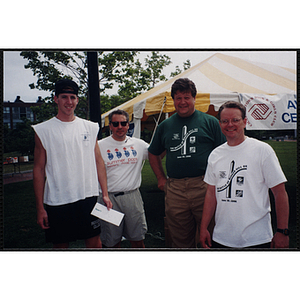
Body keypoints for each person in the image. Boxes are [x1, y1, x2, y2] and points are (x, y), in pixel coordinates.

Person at [32, 79, 112, 249]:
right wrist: (40, 208)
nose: (69, 102)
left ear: (77, 99)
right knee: (61, 247)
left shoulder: (90, 127)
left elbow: (98, 161)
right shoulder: (43, 130)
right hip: (57, 200)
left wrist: (104, 193)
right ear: (56, 99)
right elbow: (38, 169)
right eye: (64, 97)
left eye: (72, 97)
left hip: (87, 197)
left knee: (95, 244)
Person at [148, 78, 226, 248]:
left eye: (187, 97)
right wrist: (161, 178)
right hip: (175, 189)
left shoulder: (210, 122)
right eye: (178, 98)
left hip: (204, 186)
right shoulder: (165, 126)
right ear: (173, 100)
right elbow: (153, 153)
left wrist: (217, 180)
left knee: (210, 235)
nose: (182, 102)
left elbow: (223, 153)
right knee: (180, 239)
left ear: (194, 99)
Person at [199, 101, 289, 249]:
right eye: (225, 121)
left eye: (235, 120)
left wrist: (282, 231)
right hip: (221, 238)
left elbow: (280, 193)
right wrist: (203, 228)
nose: (230, 125)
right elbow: (211, 194)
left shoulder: (262, 150)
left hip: (256, 238)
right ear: (220, 124)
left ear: (245, 122)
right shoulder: (215, 154)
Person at [97, 109, 148, 248]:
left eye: (123, 123)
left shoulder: (139, 144)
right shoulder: (99, 146)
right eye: (115, 123)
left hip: (132, 197)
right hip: (108, 200)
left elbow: (157, 155)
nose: (120, 127)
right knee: (112, 242)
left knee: (138, 239)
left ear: (128, 125)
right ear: (110, 126)